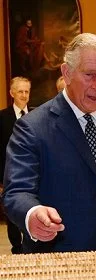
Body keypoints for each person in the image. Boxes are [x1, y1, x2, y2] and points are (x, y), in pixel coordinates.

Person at [2, 33, 96, 253]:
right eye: (89, 75)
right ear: (66, 73)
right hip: (57, 264)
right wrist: (33, 214)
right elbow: (16, 192)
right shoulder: (32, 127)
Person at [0, 77, 32, 254]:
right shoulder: (2, 117)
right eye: (20, 91)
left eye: (27, 91)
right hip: (9, 174)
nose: (24, 95)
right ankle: (17, 248)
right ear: (12, 93)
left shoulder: (36, 115)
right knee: (12, 213)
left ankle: (31, 245)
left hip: (33, 174)